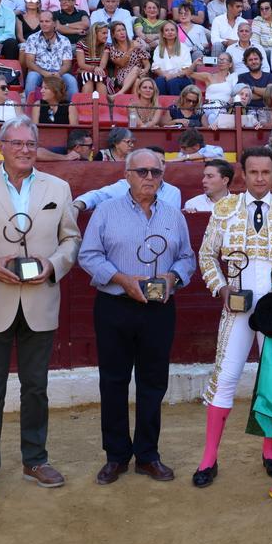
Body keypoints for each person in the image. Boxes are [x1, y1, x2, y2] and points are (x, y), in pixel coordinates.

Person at [0, 116, 82, 501]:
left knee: (36, 388)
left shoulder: (58, 187)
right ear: (1, 145)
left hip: (40, 299)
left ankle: (35, 459)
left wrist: (53, 266)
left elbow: (71, 239)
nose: (25, 149)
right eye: (17, 143)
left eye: (31, 143)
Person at [193, 146, 272, 488]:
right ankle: (209, 457)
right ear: (243, 175)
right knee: (226, 377)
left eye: (266, 172)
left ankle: (270, 451)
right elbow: (206, 255)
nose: (260, 178)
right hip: (235, 309)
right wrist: (221, 290)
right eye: (254, 172)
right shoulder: (226, 208)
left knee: (271, 381)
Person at [78, 149, 196, 485]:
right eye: (141, 171)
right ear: (127, 174)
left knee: (153, 382)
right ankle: (116, 456)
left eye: (155, 172)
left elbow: (187, 258)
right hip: (115, 305)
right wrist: (121, 279)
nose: (148, 178)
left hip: (159, 308)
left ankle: (147, 455)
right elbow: (88, 255)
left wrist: (174, 277)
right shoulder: (105, 211)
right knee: (113, 381)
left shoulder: (174, 215)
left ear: (163, 176)